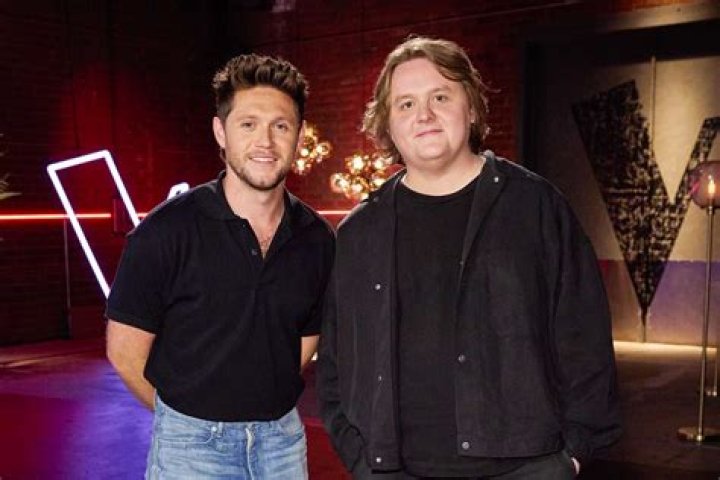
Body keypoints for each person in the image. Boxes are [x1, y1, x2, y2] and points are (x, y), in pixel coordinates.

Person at [317, 36, 621, 479]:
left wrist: (572, 454)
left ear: (472, 108)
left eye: (440, 97)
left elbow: (584, 333)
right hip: (394, 470)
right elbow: (336, 359)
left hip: (525, 468)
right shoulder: (360, 231)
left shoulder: (534, 206)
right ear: (388, 124)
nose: (423, 115)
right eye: (405, 104)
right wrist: (358, 455)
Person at [106, 53, 334, 479]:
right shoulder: (166, 231)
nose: (265, 142)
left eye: (280, 126)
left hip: (282, 444)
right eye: (248, 124)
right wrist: (187, 421)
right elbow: (124, 353)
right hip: (191, 448)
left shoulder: (317, 238)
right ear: (220, 132)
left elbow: (303, 341)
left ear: (300, 136)